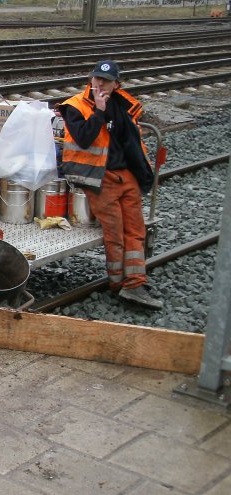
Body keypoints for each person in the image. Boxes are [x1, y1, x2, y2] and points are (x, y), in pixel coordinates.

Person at [57, 59, 162, 310]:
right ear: (91, 79)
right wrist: (99, 111)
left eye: (105, 80)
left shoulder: (124, 104)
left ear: (116, 83)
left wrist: (142, 174)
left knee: (135, 230)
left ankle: (135, 282)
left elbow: (132, 142)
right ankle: (119, 285)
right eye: (96, 79)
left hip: (127, 176)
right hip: (100, 179)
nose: (100, 84)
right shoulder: (75, 106)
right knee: (115, 234)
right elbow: (83, 139)